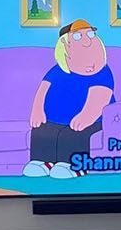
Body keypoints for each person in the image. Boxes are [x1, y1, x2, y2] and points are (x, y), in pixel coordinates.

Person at [23, 20, 115, 178]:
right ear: (65, 45)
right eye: (79, 35)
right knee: (41, 131)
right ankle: (41, 161)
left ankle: (75, 165)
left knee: (73, 134)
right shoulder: (58, 70)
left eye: (91, 34)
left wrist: (87, 116)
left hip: (90, 121)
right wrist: (37, 110)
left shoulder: (102, 72)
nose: (87, 39)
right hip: (54, 119)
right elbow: (43, 90)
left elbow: (100, 95)